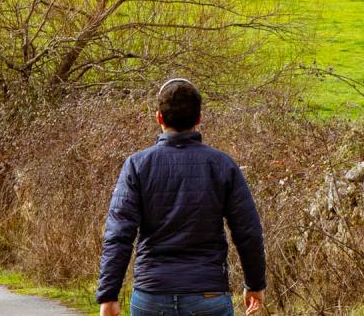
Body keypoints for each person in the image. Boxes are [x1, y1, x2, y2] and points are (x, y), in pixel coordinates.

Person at [96, 78, 267, 316]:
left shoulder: (137, 166)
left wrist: (108, 294)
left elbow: (119, 234)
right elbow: (248, 232)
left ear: (159, 118)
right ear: (199, 119)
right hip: (208, 295)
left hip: (151, 296)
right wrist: (254, 284)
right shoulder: (222, 165)